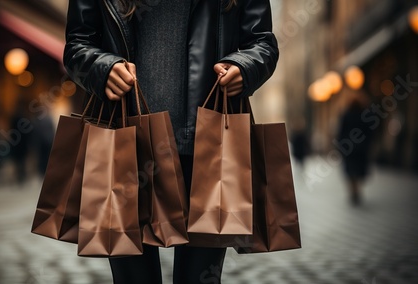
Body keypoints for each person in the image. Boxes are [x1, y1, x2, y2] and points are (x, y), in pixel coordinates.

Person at [64, 0, 279, 283]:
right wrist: (102, 68)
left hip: (207, 147)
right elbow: (77, 44)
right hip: (126, 146)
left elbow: (263, 43)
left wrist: (244, 67)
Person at [337, 97, 373, 206]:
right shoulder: (365, 115)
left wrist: (341, 145)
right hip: (361, 149)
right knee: (357, 170)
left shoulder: (346, 115)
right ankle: (357, 190)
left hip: (349, 148)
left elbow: (341, 132)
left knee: (350, 171)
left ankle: (353, 190)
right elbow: (370, 132)